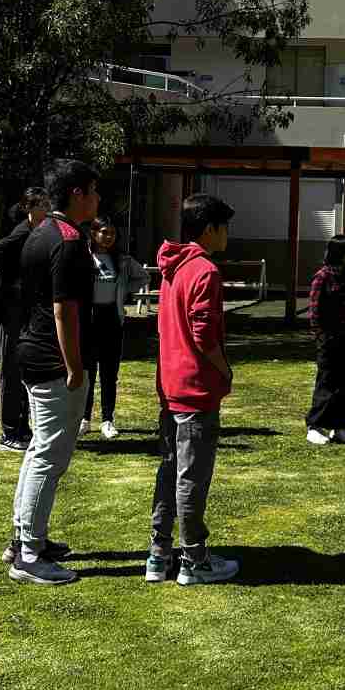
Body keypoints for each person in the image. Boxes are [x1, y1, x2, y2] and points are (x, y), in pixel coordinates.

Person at [5, 159, 100, 586]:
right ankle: (29, 552)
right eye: (93, 191)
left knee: (38, 450)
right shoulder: (69, 239)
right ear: (76, 193)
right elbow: (64, 309)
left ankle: (23, 537)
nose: (98, 199)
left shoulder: (38, 231)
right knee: (50, 455)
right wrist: (75, 366)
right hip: (52, 359)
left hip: (30, 350)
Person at [146, 193, 240, 586]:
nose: (227, 235)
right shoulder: (204, 271)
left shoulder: (173, 266)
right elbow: (203, 335)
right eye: (224, 227)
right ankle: (195, 560)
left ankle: (158, 554)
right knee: (191, 477)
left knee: (170, 472)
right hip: (194, 389)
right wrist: (225, 370)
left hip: (171, 384)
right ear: (209, 229)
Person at [0, 186, 49, 453]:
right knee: (11, 370)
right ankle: (9, 432)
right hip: (9, 310)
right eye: (41, 205)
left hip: (22, 311)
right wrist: (12, 276)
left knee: (22, 368)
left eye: (48, 204)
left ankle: (23, 428)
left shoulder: (37, 234)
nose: (46, 209)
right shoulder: (22, 233)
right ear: (28, 208)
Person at [80, 216, 148, 440]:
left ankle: (107, 420)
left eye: (112, 233)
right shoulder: (83, 257)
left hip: (112, 319)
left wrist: (124, 289)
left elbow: (143, 276)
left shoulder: (122, 260)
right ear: (93, 233)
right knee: (87, 372)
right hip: (89, 320)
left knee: (110, 373)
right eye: (103, 232)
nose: (107, 237)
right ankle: (84, 418)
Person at [305, 235, 345, 445]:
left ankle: (340, 426)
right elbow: (314, 311)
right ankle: (315, 425)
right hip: (329, 341)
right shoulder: (322, 277)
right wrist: (322, 337)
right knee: (327, 384)